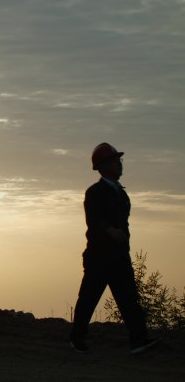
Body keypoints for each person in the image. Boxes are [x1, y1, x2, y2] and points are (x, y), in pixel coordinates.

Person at [69, 142, 159, 354]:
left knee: (129, 298)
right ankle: (77, 339)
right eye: (115, 161)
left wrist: (122, 239)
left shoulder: (122, 194)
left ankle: (139, 340)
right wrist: (111, 231)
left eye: (119, 160)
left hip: (118, 255)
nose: (119, 164)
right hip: (99, 256)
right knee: (89, 298)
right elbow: (94, 221)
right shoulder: (94, 193)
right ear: (103, 166)